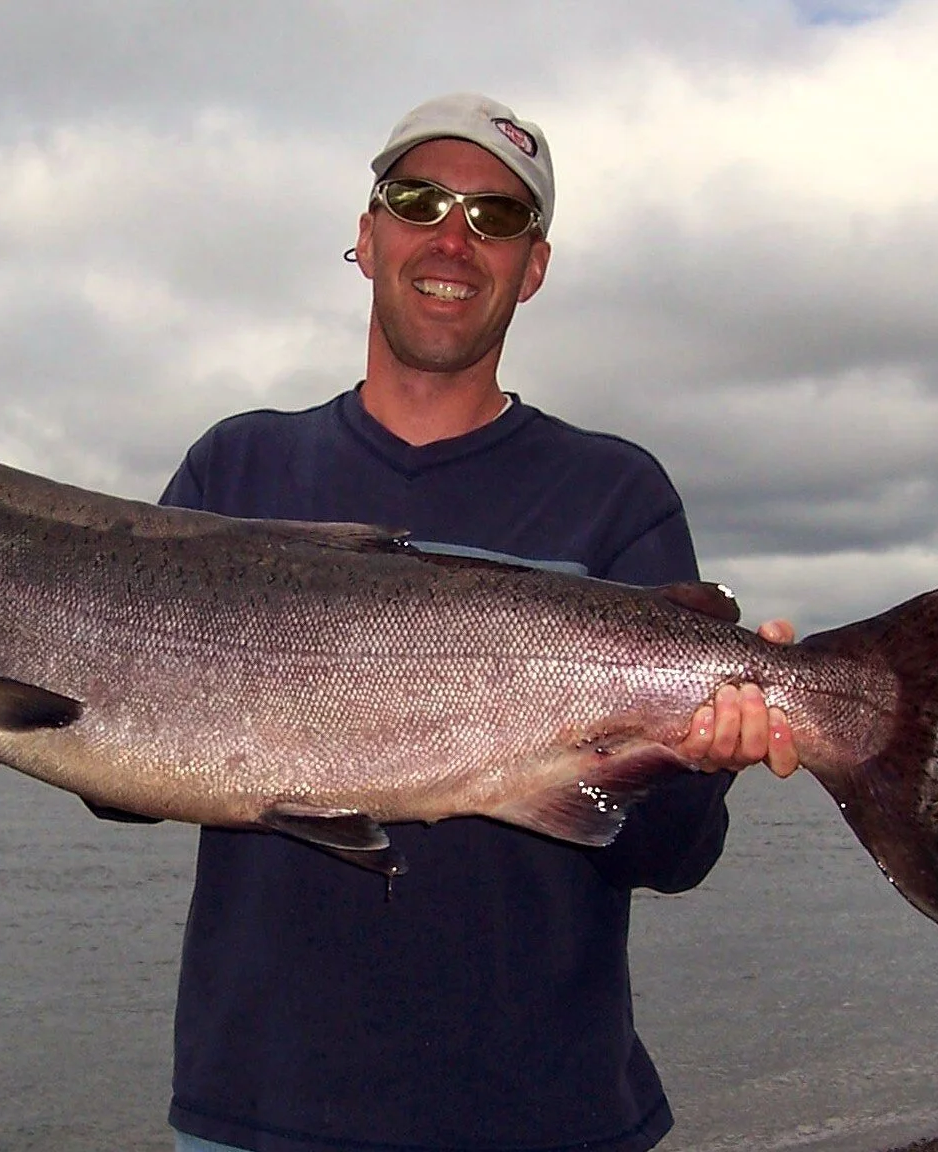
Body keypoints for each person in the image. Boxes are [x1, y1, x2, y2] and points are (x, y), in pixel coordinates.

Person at [154, 93, 799, 1152]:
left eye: (497, 218)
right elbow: (118, 781)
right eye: (420, 200)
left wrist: (703, 759)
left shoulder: (618, 495)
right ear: (365, 237)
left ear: (532, 267)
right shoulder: (237, 470)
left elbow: (672, 856)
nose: (453, 238)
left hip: (551, 1118)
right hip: (257, 1115)